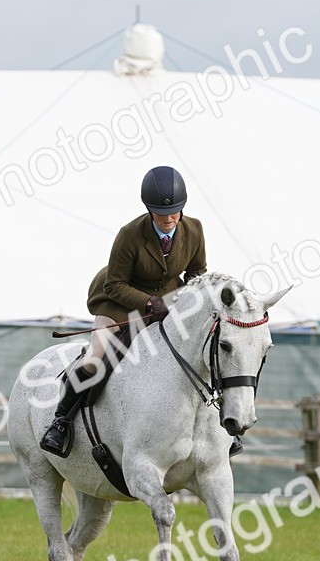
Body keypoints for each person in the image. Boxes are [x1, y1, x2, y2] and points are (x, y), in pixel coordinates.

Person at [39, 165, 243, 458]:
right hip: (120, 304)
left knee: (205, 354)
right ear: (149, 210)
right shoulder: (130, 235)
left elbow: (197, 274)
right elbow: (114, 285)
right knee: (97, 359)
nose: (169, 218)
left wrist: (189, 302)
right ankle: (61, 421)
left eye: (175, 212)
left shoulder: (194, 229)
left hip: (169, 306)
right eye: (161, 215)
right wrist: (149, 302)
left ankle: (223, 432)